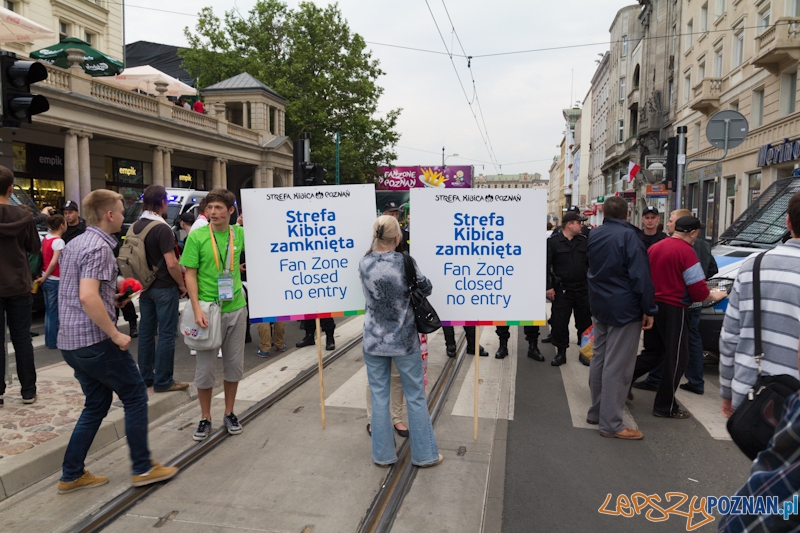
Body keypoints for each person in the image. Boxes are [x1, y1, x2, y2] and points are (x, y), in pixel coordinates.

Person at [56, 189, 177, 493]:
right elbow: (87, 295)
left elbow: (84, 289)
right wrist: (114, 332)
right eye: (122, 211)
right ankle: (142, 467)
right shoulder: (98, 247)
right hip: (94, 340)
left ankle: (71, 474)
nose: (125, 216)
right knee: (136, 395)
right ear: (109, 215)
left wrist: (116, 295)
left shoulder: (77, 242)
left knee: (96, 404)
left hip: (70, 340)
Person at [359, 215, 442, 467]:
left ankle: (383, 456)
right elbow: (426, 287)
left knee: (379, 396)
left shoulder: (364, 263)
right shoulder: (405, 262)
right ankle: (425, 455)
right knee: (415, 396)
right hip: (404, 341)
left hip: (373, 340)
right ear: (397, 237)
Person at [630, 216, 727, 419]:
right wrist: (714, 295)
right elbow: (698, 290)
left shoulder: (656, 247)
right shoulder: (686, 252)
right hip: (674, 307)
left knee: (654, 352)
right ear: (692, 233)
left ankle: (621, 382)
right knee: (678, 358)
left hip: (653, 306)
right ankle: (664, 405)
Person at [719, 191, 800, 418]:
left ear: (788, 222)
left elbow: (729, 337)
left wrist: (727, 391)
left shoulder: (752, 266)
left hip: (753, 393)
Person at [586, 196, 657, 440]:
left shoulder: (595, 234)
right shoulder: (630, 237)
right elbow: (640, 277)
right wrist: (649, 308)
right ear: (627, 214)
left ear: (604, 212)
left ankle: (596, 412)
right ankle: (612, 424)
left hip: (600, 304)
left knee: (600, 359)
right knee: (619, 366)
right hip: (624, 307)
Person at [180, 188, 248, 441]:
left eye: (219, 208)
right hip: (208, 310)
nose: (213, 212)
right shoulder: (197, 236)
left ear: (231, 211)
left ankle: (229, 412)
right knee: (205, 368)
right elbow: (190, 274)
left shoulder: (239, 233)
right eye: (210, 208)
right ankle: (205, 416)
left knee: (234, 366)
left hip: (236, 307)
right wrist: (196, 307)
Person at [133, 185, 190, 393]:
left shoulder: (136, 225)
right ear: (162, 203)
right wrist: (182, 284)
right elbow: (172, 263)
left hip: (145, 286)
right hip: (165, 287)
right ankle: (164, 380)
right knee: (166, 334)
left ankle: (146, 376)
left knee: (146, 333)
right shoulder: (162, 227)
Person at [0, 166, 40, 406]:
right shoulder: (24, 217)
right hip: (19, 283)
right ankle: (28, 390)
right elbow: (34, 247)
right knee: (22, 338)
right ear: (11, 189)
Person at [547, 210, 592, 366]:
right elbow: (546, 266)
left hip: (582, 289)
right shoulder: (553, 242)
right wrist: (548, 287)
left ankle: (584, 352)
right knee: (560, 322)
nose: (582, 225)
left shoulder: (585, 241)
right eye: (579, 222)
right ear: (569, 224)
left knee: (584, 322)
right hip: (562, 290)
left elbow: (591, 264)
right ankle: (561, 353)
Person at [36, 214, 67, 349]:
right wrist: (46, 275)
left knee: (49, 310)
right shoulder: (59, 241)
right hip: (55, 278)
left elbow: (42, 256)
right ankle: (54, 341)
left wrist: (43, 276)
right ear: (61, 225)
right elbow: (54, 262)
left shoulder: (46, 239)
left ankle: (50, 340)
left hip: (45, 278)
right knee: (55, 311)